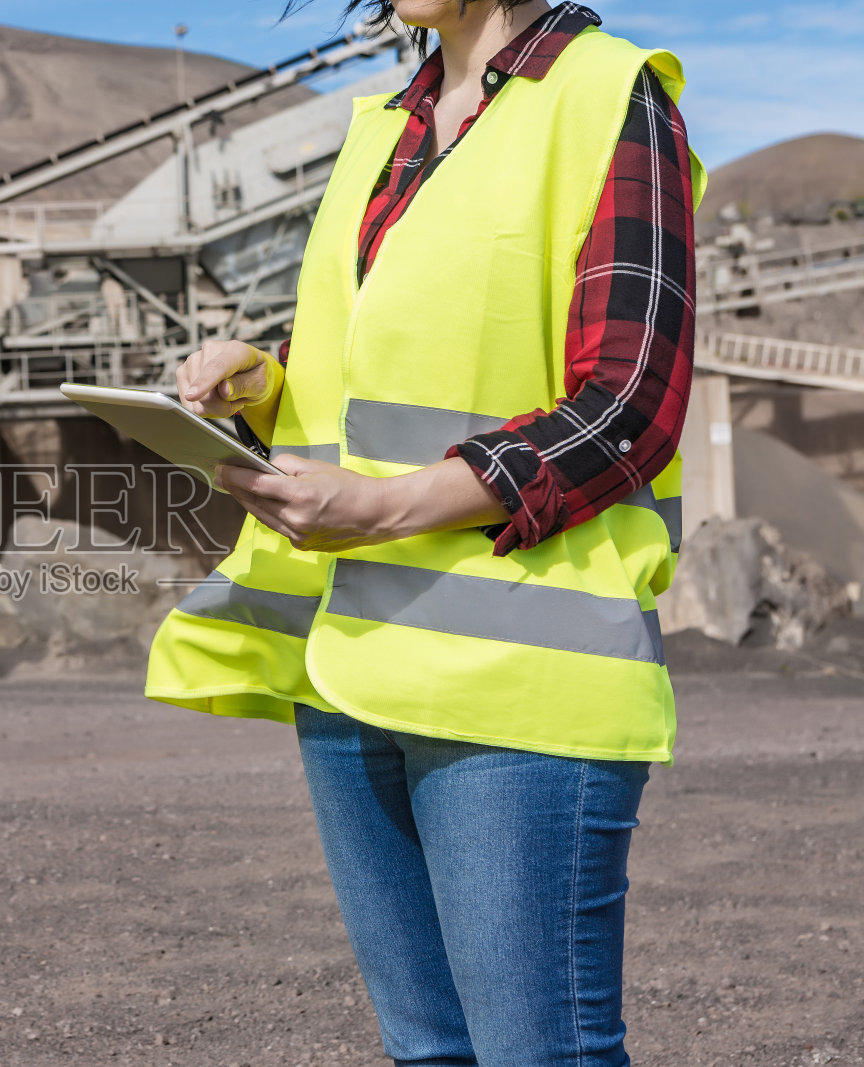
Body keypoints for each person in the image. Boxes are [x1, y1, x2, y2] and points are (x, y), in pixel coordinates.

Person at [149, 0, 700, 1063]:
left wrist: (384, 507)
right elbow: (372, 378)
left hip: (518, 679)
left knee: (539, 1051)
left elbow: (629, 401)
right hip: (350, 666)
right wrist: (260, 383)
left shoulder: (606, 96)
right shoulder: (380, 129)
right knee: (429, 1052)